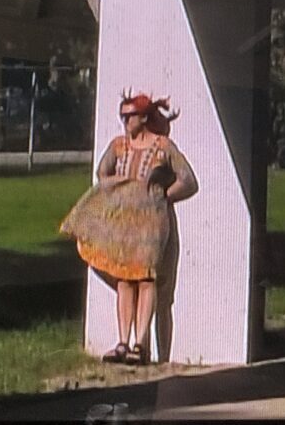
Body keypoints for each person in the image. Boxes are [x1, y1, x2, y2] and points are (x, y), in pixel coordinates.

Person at [60, 91, 198, 365]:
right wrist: (117, 192)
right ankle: (123, 341)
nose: (125, 121)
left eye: (130, 116)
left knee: (147, 278)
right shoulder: (118, 146)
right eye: (122, 116)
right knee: (123, 277)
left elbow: (188, 180)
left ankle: (140, 343)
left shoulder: (163, 146)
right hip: (123, 222)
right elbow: (103, 172)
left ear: (143, 117)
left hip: (151, 223)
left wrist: (163, 195)